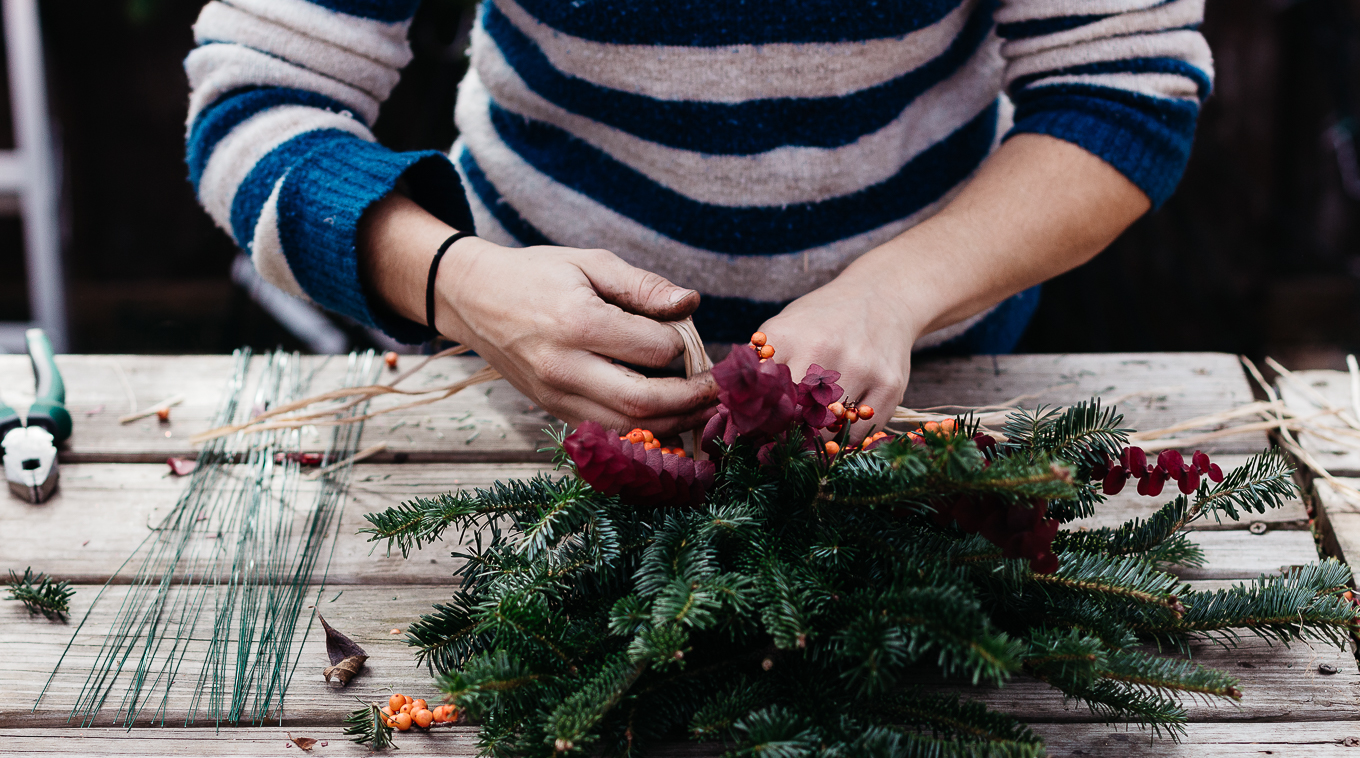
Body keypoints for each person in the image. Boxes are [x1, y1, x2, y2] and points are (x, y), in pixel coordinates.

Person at [185, 0, 1212, 441]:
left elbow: (1124, 88)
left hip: (928, 410)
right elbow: (254, 102)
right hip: (521, 399)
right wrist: (460, 283)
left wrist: (893, 293)